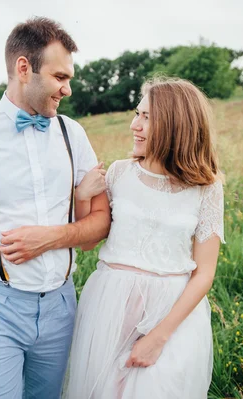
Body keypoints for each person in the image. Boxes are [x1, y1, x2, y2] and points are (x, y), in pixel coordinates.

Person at [0, 17, 111, 399]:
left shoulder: (72, 134)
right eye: (60, 76)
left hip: (62, 306)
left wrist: (50, 238)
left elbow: (99, 224)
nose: (69, 89)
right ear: (24, 68)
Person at [65, 78, 225, 398]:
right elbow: (85, 242)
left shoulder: (206, 187)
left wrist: (158, 337)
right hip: (110, 305)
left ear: (174, 125)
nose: (134, 125)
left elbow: (205, 273)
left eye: (147, 117)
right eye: (137, 114)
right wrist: (82, 196)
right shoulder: (119, 174)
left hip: (171, 313)